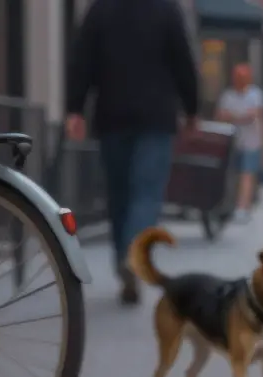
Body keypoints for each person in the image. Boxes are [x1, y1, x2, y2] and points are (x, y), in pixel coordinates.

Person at [65, 0, 198, 306]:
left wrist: (75, 108)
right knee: (146, 192)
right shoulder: (166, 9)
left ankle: (124, 256)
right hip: (156, 117)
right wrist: (191, 108)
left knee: (119, 194)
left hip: (112, 115)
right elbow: (183, 59)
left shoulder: (100, 9)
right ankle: (132, 256)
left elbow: (81, 58)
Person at [217, 63, 263, 223]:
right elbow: (220, 115)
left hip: (251, 141)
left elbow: (256, 116)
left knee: (247, 174)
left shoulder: (256, 95)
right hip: (230, 142)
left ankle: (242, 207)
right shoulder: (228, 95)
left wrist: (234, 116)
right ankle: (231, 203)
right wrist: (242, 116)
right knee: (232, 174)